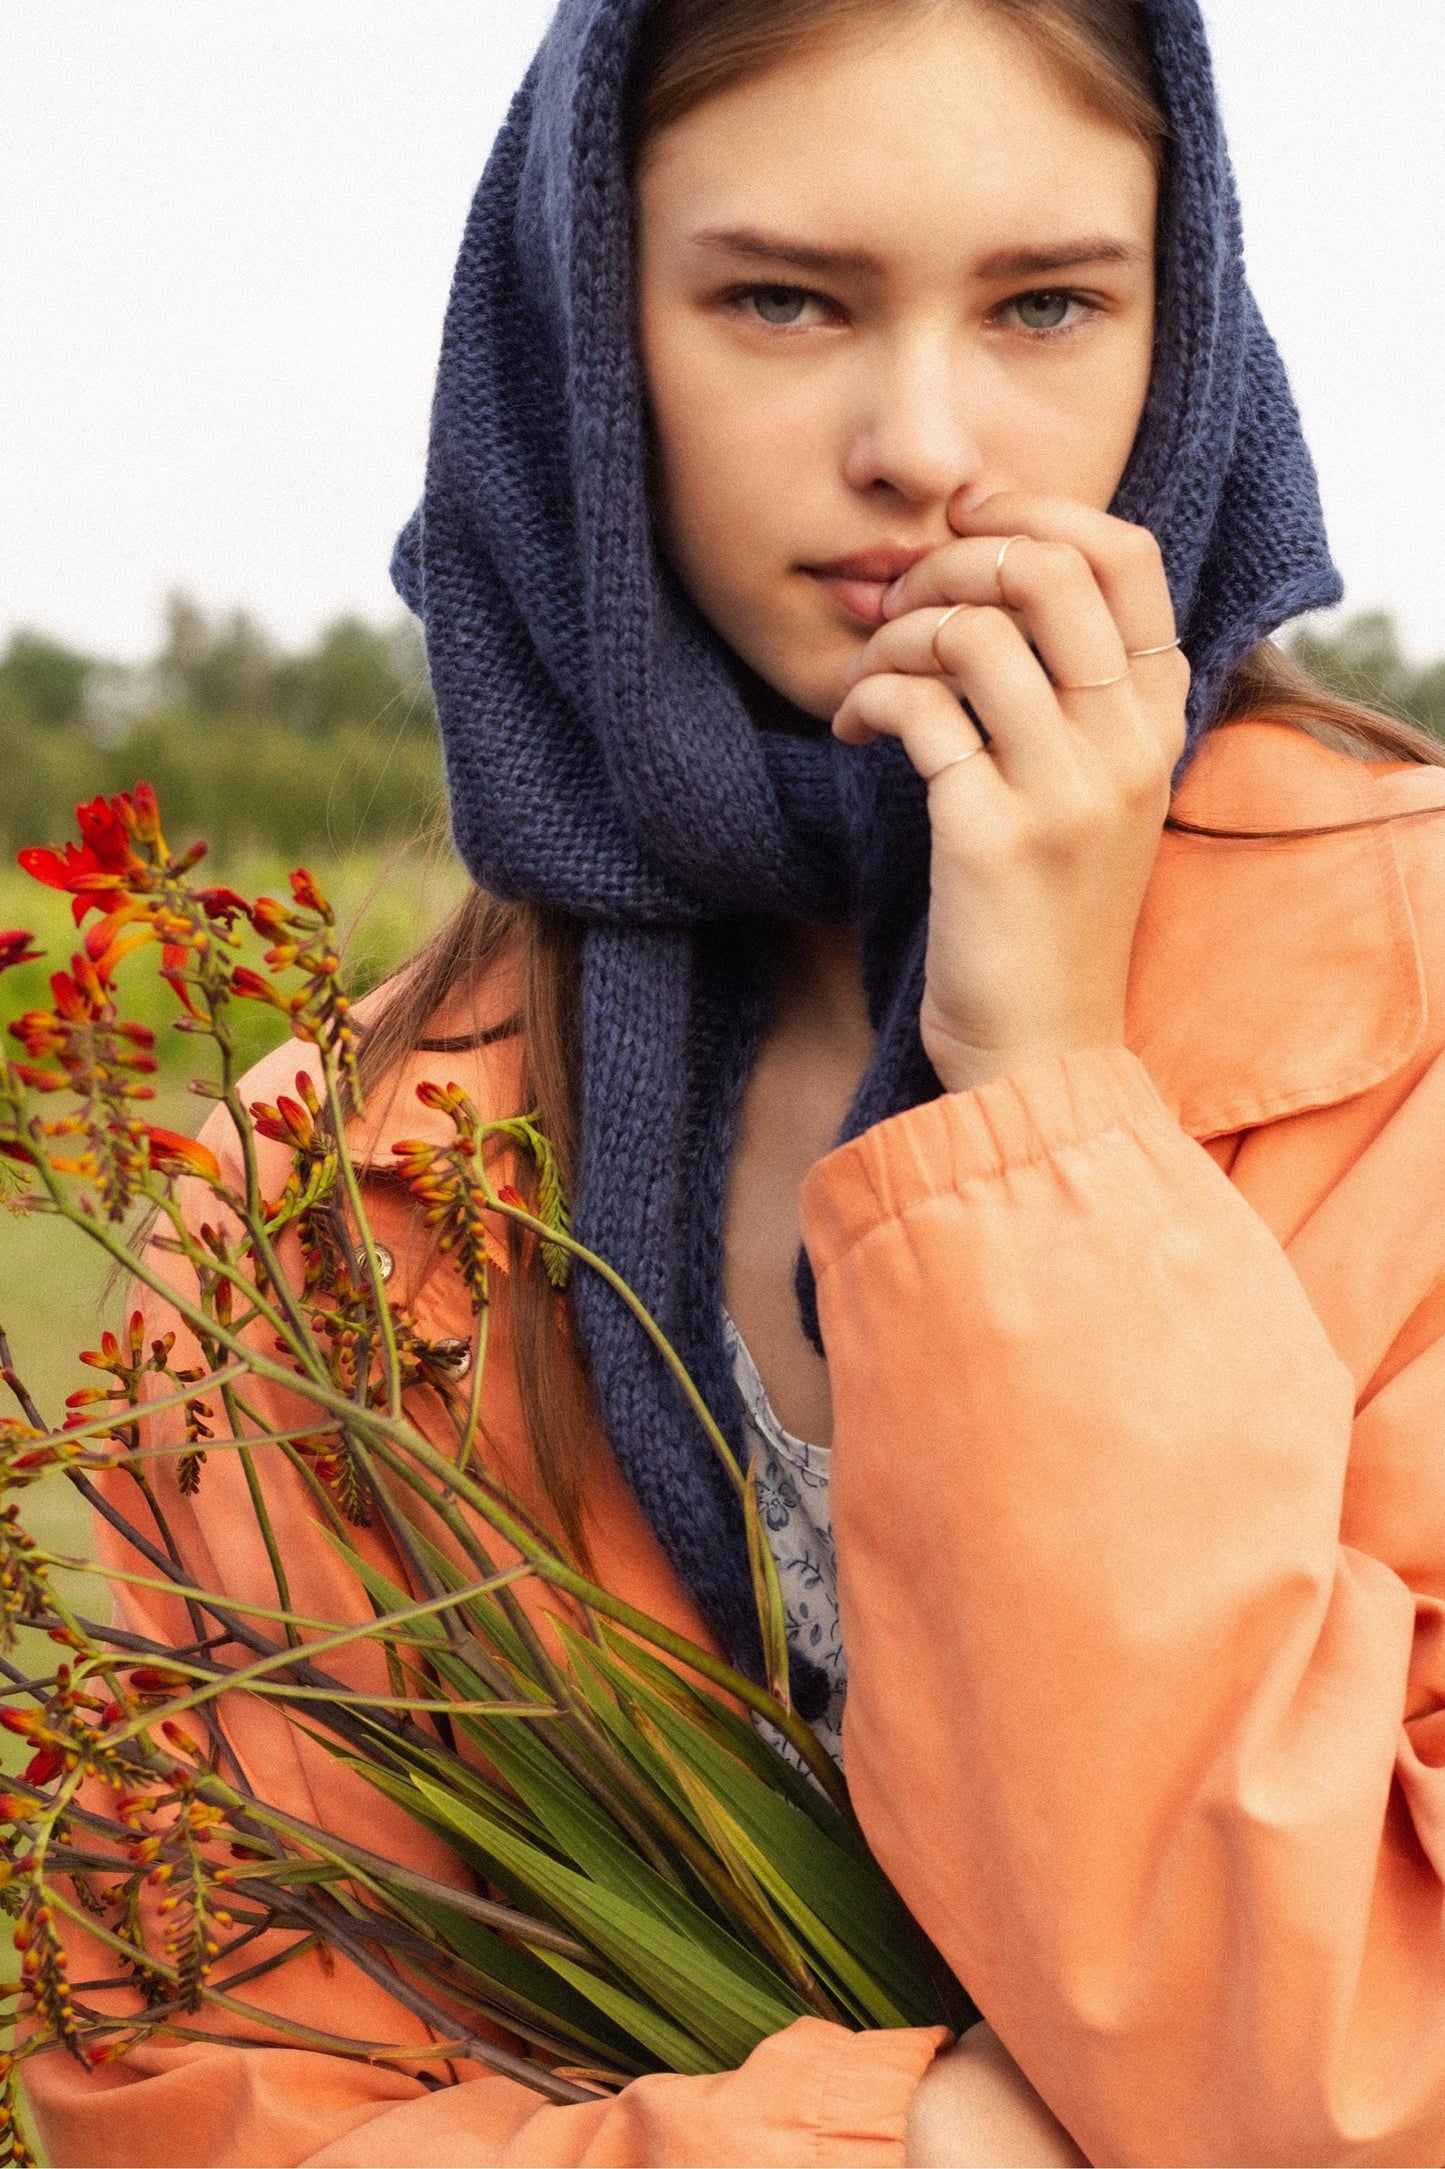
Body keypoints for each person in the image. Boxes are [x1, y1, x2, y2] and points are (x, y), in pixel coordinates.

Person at [28, 0, 1445, 2161]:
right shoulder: (328, 1193)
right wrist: (925, 2146)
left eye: (1050, 300)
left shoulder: (1419, 1012)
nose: (925, 437)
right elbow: (200, 2089)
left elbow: (1352, 2064)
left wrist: (1039, 1082)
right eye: (784, 298)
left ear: (1194, 323)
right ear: (581, 346)